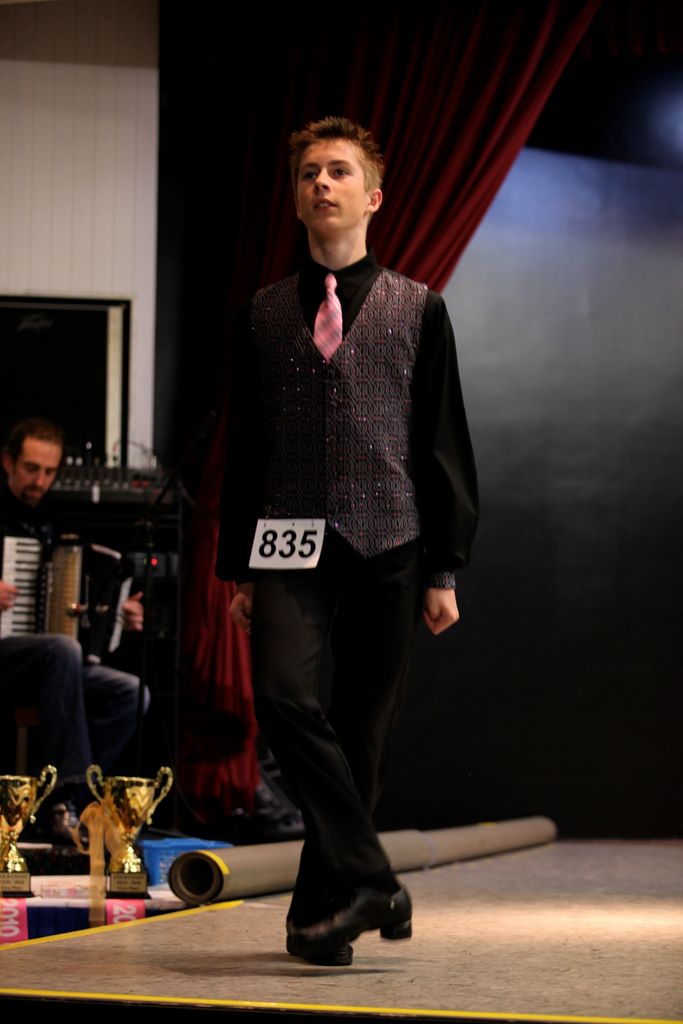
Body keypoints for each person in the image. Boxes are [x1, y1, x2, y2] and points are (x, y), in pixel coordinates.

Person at [216, 116, 478, 965]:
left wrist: (442, 567)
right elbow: (245, 448)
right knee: (282, 698)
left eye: (337, 171)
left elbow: (441, 441)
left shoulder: (417, 306)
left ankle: (318, 915)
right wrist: (239, 568)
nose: (320, 183)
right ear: (296, 200)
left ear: (373, 197)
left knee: (362, 734)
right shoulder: (261, 313)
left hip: (390, 542)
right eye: (308, 174)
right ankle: (373, 876)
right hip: (286, 542)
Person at [0, 417, 148, 843]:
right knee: (63, 650)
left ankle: (62, 802)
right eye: (31, 469)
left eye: (49, 471)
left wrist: (118, 615)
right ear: (8, 462)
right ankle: (68, 797)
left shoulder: (50, 520)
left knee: (131, 693)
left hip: (46, 664)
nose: (40, 481)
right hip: (6, 656)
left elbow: (79, 602)